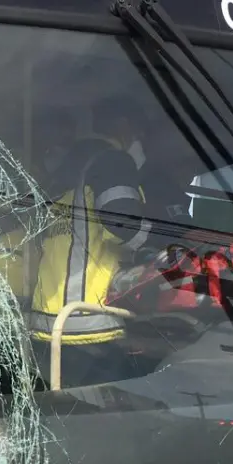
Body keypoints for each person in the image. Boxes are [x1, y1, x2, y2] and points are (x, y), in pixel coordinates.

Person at [27, 94, 152, 387]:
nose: (140, 142)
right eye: (140, 134)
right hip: (94, 324)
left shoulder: (62, 171)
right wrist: (160, 245)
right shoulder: (112, 161)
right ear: (124, 126)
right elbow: (123, 228)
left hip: (48, 324)